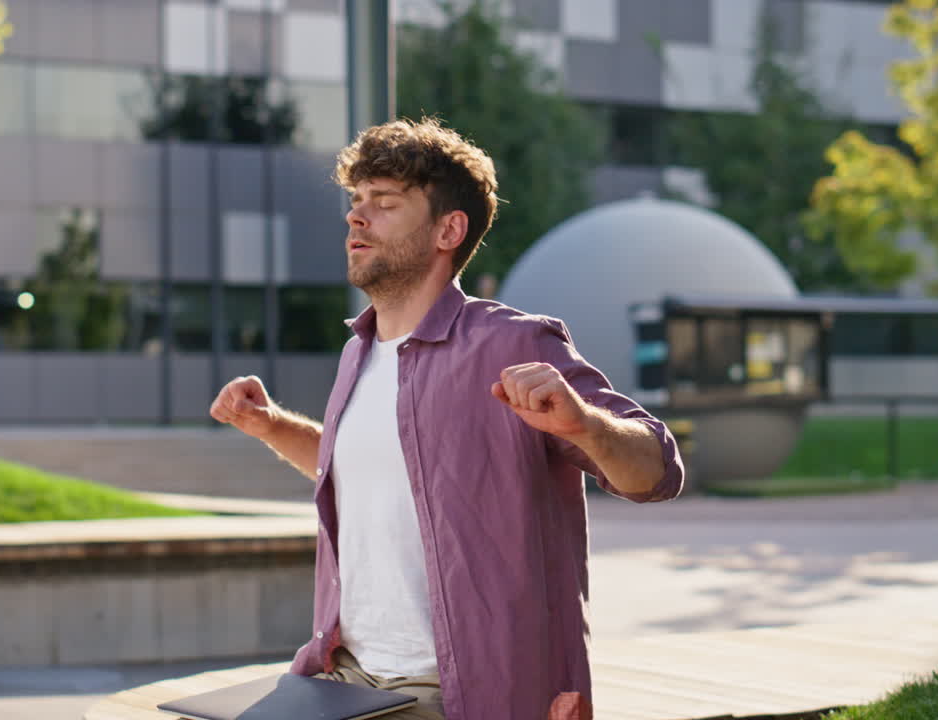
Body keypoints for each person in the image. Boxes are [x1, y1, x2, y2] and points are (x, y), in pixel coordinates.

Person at [209, 118, 684, 720]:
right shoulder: (359, 351)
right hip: (344, 675)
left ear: (448, 230)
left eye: (385, 203)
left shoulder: (513, 343)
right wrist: (271, 425)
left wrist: (585, 423)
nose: (357, 217)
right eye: (357, 200)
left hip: (459, 692)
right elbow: (371, 472)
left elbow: (658, 471)